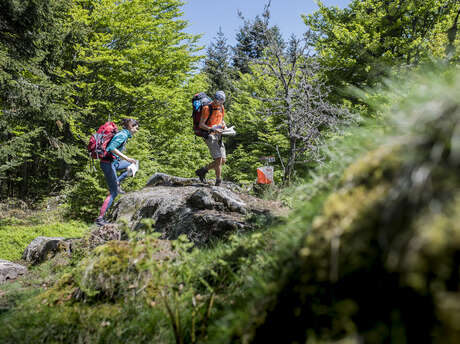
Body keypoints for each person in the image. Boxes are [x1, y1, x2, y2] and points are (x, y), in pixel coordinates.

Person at [95, 118, 139, 226]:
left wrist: (128, 161)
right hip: (108, 164)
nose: (137, 131)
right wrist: (127, 158)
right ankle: (100, 219)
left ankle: (118, 182)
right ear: (130, 127)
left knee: (134, 164)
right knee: (113, 193)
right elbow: (111, 148)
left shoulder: (124, 134)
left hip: (113, 163)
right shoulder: (122, 135)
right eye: (136, 128)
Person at [195, 90, 227, 186]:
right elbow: (201, 125)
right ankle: (218, 181)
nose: (220, 103)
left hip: (219, 134)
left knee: (223, 160)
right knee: (218, 158)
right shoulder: (207, 108)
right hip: (209, 135)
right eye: (219, 101)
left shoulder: (221, 107)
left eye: (222, 101)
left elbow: (221, 120)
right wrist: (212, 129)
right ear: (215, 99)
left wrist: (224, 126)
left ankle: (203, 170)